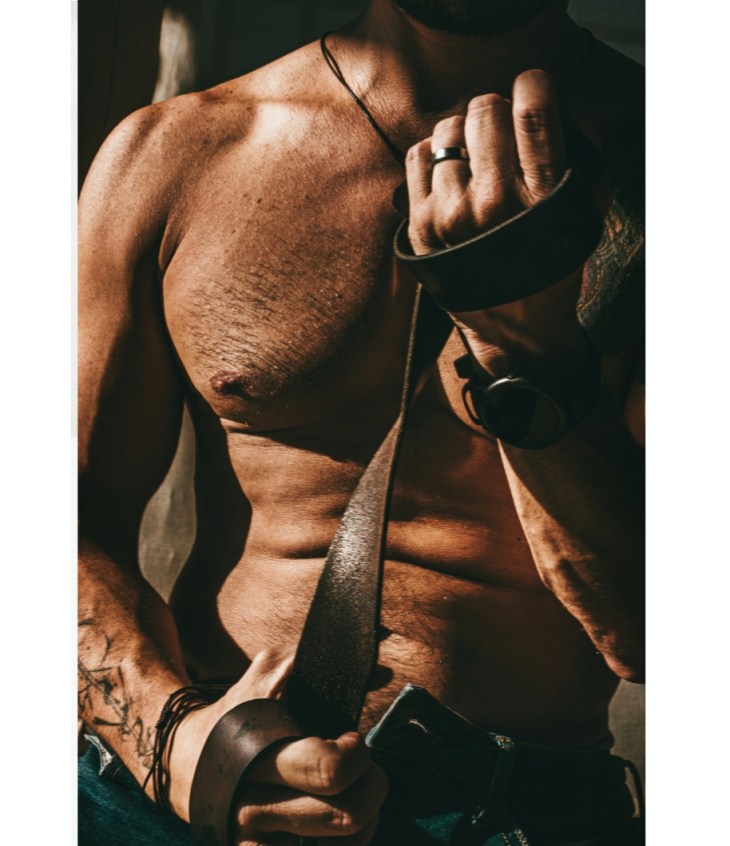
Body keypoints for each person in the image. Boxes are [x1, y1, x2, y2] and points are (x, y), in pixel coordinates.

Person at [78, 0, 645, 844]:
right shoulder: (175, 153)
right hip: (182, 783)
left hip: (512, 806)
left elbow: (651, 635)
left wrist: (524, 352)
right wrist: (173, 741)